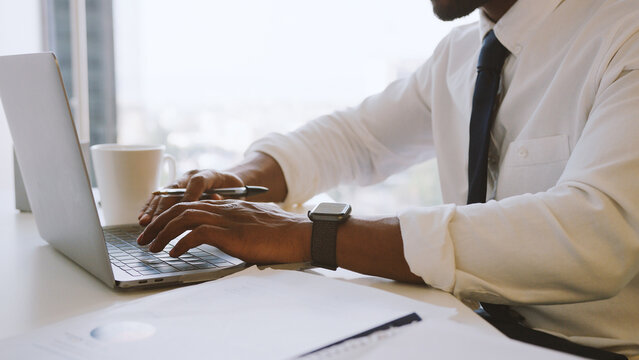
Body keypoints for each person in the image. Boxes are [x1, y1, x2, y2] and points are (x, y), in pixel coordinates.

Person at [137, 0, 639, 358]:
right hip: (469, 334)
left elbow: (595, 235)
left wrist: (314, 235)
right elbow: (357, 138)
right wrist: (241, 182)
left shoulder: (625, 34)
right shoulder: (462, 52)